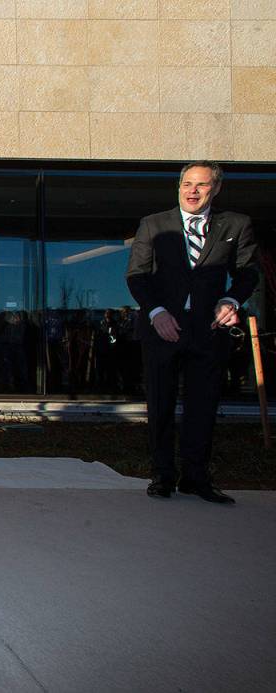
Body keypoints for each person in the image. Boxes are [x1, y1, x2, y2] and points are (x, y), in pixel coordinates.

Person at [126, 161, 258, 504]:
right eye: (186, 184)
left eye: (200, 185)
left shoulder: (236, 225)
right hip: (163, 329)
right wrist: (156, 313)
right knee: (161, 404)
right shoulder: (153, 225)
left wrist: (230, 300)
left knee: (203, 405)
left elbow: (248, 273)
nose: (192, 191)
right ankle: (162, 476)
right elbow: (137, 276)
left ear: (215, 188)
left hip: (208, 330)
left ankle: (196, 478)